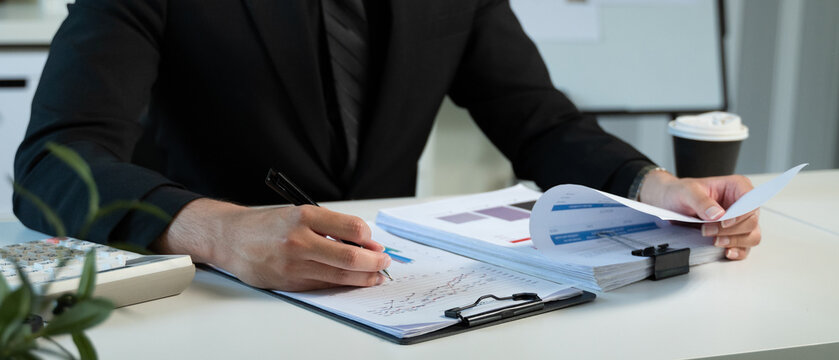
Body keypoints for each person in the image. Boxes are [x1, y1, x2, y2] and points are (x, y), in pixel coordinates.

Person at [14, 0, 760, 291]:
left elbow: (536, 121)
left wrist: (648, 183)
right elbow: (54, 159)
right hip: (215, 298)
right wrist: (216, 230)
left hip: (393, 298)